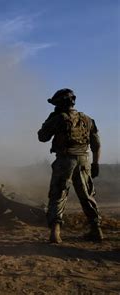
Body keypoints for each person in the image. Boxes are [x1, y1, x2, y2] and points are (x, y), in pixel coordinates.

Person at [38, 88, 102, 243]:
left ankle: (55, 233)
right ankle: (96, 230)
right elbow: (96, 144)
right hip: (84, 161)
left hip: (65, 160)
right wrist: (95, 163)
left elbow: (42, 137)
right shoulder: (87, 119)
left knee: (58, 194)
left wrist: (50, 120)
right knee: (87, 195)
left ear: (59, 103)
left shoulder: (58, 118)